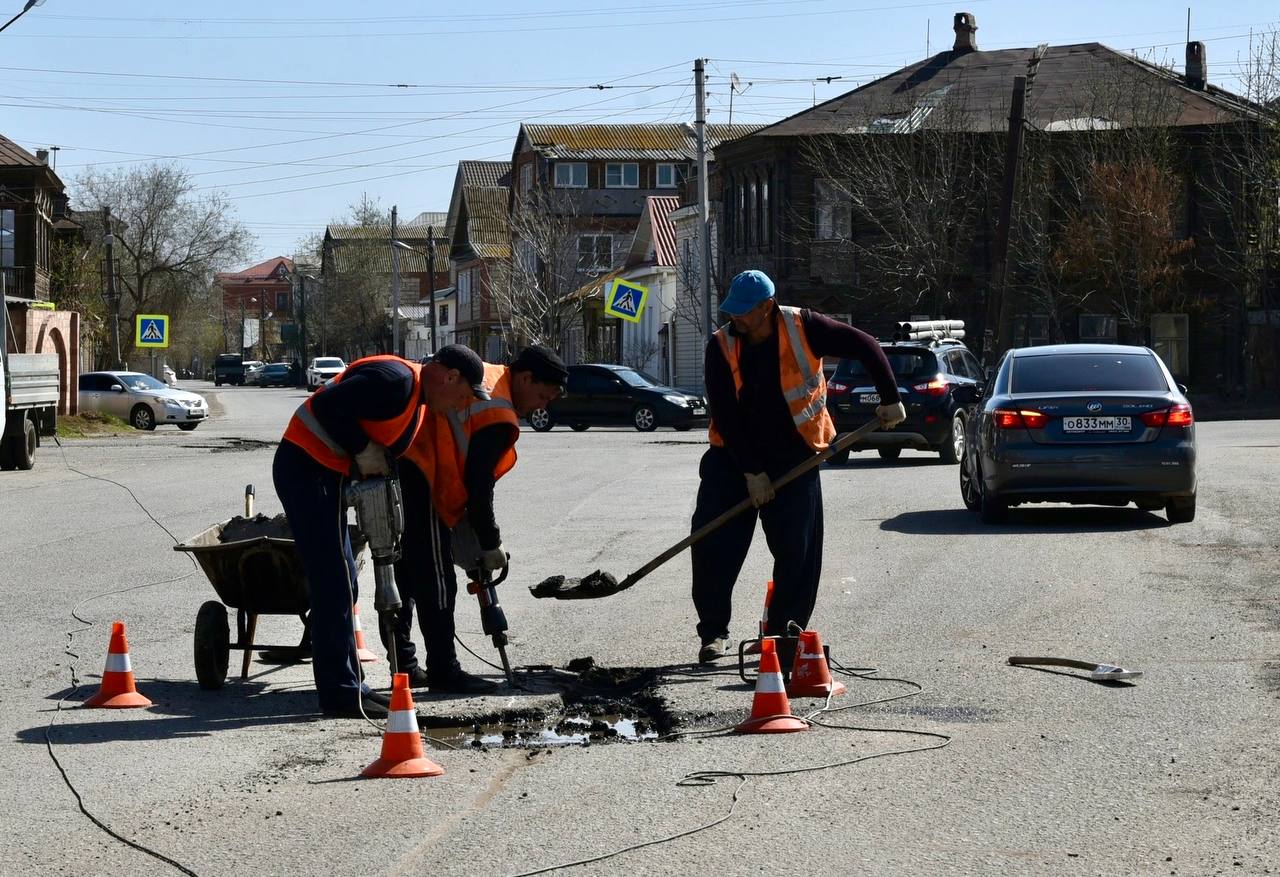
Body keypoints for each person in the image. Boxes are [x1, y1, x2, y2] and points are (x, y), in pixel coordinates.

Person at [692, 270, 906, 664]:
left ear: (767, 307)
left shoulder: (804, 326)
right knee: (713, 545)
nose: (735, 319)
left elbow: (866, 344)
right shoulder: (720, 346)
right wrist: (751, 473)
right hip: (731, 459)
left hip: (796, 455)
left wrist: (890, 396)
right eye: (732, 312)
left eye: (744, 313)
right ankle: (713, 632)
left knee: (798, 551)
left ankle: (783, 633)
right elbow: (726, 416)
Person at [273, 345, 489, 718]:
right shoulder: (397, 381)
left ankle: (350, 686)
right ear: (449, 376)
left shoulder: (417, 401)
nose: (460, 405)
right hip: (306, 471)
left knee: (346, 584)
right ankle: (340, 694)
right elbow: (326, 406)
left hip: (325, 476)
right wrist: (361, 447)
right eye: (463, 395)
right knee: (334, 582)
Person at [386, 345, 568, 692]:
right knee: (436, 578)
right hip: (424, 469)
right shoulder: (498, 412)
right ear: (526, 378)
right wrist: (490, 543)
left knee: (407, 571)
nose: (542, 406)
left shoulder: (491, 376)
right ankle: (443, 669)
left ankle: (404, 667)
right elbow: (479, 483)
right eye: (543, 395)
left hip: (404, 459)